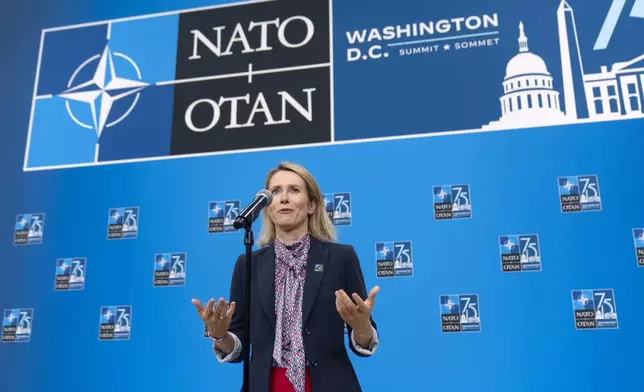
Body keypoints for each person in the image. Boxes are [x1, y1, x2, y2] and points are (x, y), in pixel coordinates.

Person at [192, 162, 380, 392]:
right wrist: (220, 336)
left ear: (311, 205)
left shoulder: (341, 258)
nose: (283, 198)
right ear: (267, 208)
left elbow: (362, 341)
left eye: (293, 190)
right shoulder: (248, 263)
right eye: (276, 192)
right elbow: (238, 348)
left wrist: (361, 327)